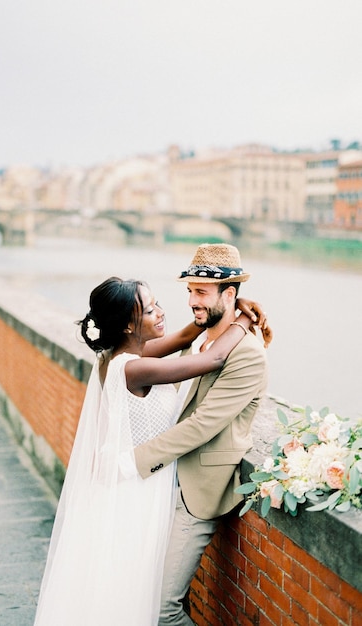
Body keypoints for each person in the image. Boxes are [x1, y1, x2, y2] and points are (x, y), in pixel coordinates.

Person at [33, 272, 270, 626]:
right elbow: (213, 359)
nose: (160, 312)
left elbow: (188, 335)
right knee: (141, 595)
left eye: (158, 303)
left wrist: (232, 306)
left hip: (144, 482)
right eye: (149, 311)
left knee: (132, 589)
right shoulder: (135, 368)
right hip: (139, 488)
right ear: (129, 326)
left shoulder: (122, 354)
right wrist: (244, 319)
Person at [133, 243, 270, 625]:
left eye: (201, 292)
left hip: (199, 491)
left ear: (229, 294)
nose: (192, 300)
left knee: (162, 610)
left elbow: (203, 424)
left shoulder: (246, 354)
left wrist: (135, 461)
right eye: (190, 291)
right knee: (150, 594)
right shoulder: (203, 338)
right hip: (168, 479)